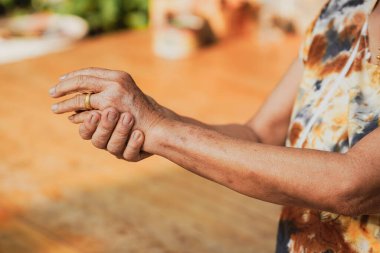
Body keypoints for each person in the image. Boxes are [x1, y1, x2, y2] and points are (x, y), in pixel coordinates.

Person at [50, 0, 380, 252]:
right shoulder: (341, 11)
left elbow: (352, 185)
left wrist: (164, 132)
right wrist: (150, 122)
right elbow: (261, 133)